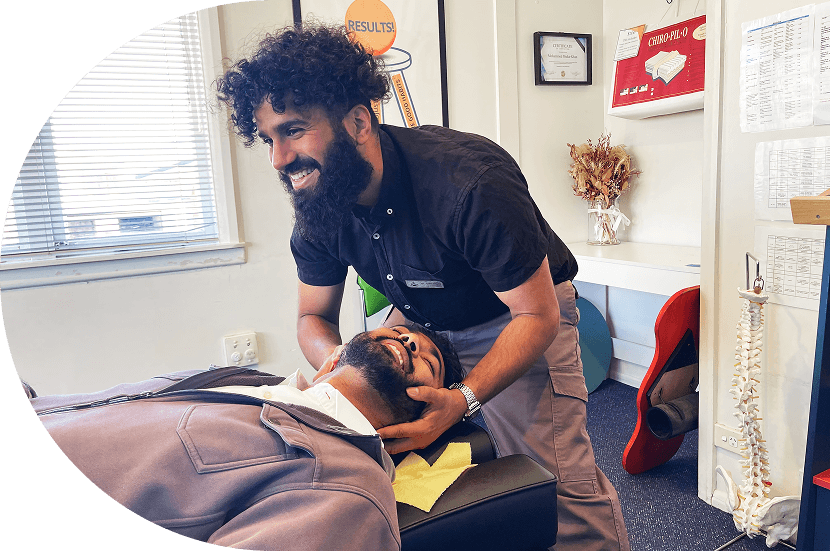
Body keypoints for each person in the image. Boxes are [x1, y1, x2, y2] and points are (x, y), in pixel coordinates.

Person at [215, 22, 629, 550]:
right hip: (418, 316)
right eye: (269, 138)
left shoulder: (468, 183)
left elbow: (537, 316)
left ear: (359, 121)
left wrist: (464, 398)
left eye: (294, 131)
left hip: (514, 314)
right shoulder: (320, 208)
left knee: (553, 477)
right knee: (402, 456)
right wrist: (342, 367)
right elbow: (312, 319)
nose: (278, 159)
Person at [27, 325, 464, 550]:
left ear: (429, 418)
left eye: (430, 361)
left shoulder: (344, 485)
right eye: (405, 334)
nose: (409, 342)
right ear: (332, 358)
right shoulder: (244, 382)